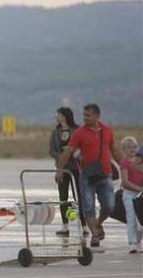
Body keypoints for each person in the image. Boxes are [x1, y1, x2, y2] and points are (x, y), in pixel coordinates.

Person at [54, 103, 122, 248]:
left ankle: (97, 223)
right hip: (87, 175)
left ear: (97, 116)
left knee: (109, 206)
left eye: (88, 115)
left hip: (105, 174)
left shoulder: (107, 131)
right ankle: (95, 236)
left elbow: (115, 150)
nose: (85, 118)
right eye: (84, 115)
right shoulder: (79, 133)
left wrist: (125, 167)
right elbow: (68, 152)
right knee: (88, 207)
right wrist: (59, 169)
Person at [48, 107, 86, 237]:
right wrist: (62, 156)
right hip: (62, 168)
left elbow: (83, 145)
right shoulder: (55, 132)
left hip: (76, 167)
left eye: (58, 114)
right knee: (63, 197)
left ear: (64, 116)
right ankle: (65, 227)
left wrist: (75, 154)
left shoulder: (77, 130)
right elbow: (52, 150)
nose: (56, 117)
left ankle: (84, 225)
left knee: (79, 196)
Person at [118, 136, 143, 253]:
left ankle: (138, 242)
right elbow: (125, 182)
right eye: (129, 147)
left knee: (141, 220)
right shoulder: (124, 163)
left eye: (134, 147)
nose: (132, 149)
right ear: (124, 149)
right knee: (131, 218)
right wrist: (138, 188)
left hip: (140, 194)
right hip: (129, 194)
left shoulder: (140, 161)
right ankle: (132, 243)